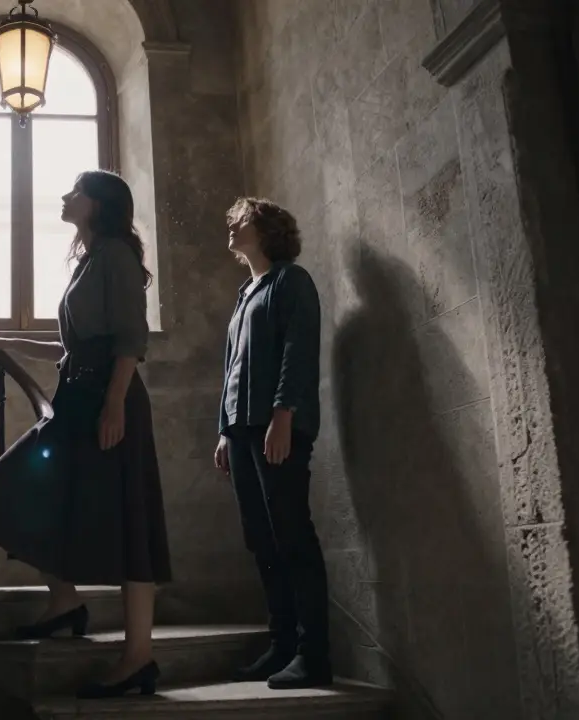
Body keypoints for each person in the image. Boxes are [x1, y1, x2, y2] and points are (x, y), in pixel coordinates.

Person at [0, 170, 172, 699]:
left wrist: (113, 406)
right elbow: (73, 352)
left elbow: (130, 340)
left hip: (111, 399)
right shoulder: (89, 259)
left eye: (76, 191)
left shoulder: (116, 256)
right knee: (16, 484)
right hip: (76, 400)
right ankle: (65, 601)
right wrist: (8, 343)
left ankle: (138, 657)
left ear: (99, 204)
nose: (66, 197)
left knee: (131, 521)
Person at [214, 197, 331, 689]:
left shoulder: (290, 281)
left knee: (291, 535)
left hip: (276, 428)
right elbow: (233, 369)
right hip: (242, 433)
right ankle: (282, 644)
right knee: (261, 540)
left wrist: (283, 415)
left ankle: (313, 655)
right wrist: (224, 429)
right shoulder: (246, 292)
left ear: (265, 229)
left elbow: (297, 352)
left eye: (240, 220)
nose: (232, 226)